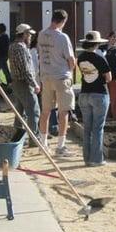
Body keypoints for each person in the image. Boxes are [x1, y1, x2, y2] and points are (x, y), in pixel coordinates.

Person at [37, 10, 76, 157]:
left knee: (45, 111)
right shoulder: (63, 37)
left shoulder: (41, 34)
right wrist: (71, 69)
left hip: (46, 77)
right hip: (61, 77)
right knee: (63, 112)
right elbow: (71, 60)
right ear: (63, 21)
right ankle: (60, 146)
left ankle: (43, 144)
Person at [77, 31, 112, 167]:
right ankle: (96, 159)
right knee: (98, 128)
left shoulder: (80, 57)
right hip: (99, 94)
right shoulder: (99, 58)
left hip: (84, 93)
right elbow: (108, 78)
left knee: (87, 128)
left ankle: (87, 158)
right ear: (97, 44)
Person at [8, 23, 40, 145]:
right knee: (33, 111)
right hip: (24, 84)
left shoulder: (13, 46)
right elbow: (25, 69)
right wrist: (35, 84)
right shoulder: (20, 47)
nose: (31, 37)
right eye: (29, 35)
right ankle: (34, 139)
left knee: (19, 114)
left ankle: (16, 139)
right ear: (24, 34)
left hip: (17, 83)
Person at [99, 31, 116, 119]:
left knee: (115, 98)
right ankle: (104, 116)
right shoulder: (102, 48)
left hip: (113, 77)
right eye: (113, 37)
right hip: (102, 78)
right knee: (103, 97)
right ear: (108, 38)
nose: (115, 39)